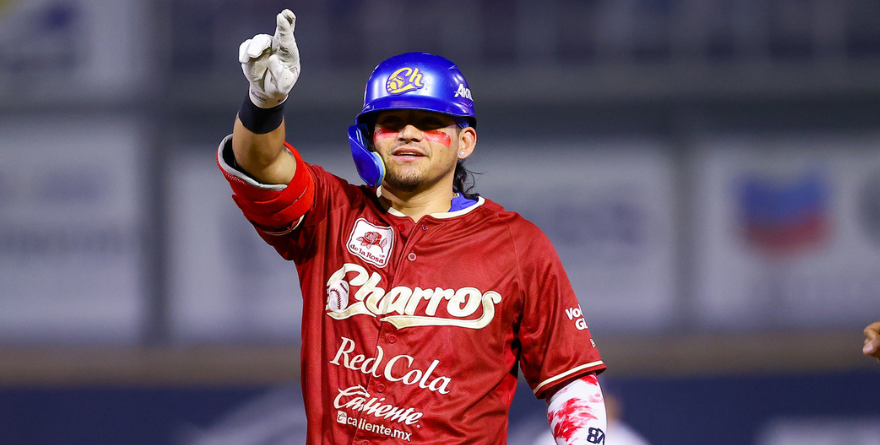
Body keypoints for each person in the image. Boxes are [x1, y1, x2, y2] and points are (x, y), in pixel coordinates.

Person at [217, 9, 607, 445]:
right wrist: (263, 103)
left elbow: (569, 381)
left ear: (465, 141)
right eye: (390, 122)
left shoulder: (517, 245)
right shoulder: (332, 213)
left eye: (429, 122)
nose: (407, 133)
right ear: (369, 138)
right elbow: (261, 160)